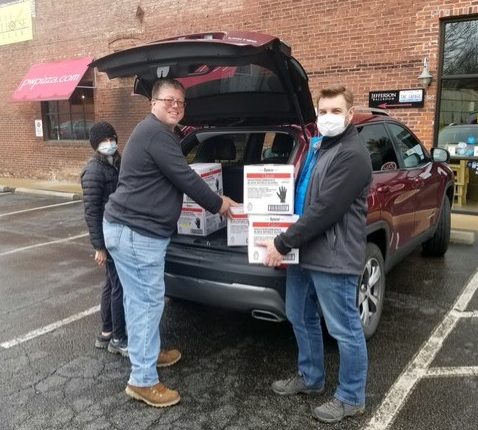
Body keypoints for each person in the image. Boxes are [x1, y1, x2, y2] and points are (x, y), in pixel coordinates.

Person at [103, 78, 236, 408]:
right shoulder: (156, 134)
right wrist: (220, 204)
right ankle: (143, 381)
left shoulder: (155, 132)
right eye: (168, 100)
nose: (175, 106)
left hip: (130, 230)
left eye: (180, 101)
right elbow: (187, 178)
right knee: (147, 303)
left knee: (140, 302)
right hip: (138, 233)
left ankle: (148, 355)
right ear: (153, 103)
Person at [261, 85, 372, 424]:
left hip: (334, 256)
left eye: (335, 111)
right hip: (306, 252)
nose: (327, 118)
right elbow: (302, 195)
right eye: (323, 112)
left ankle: (352, 397)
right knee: (300, 315)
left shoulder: (352, 154)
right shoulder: (320, 146)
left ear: (349, 115)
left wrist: (281, 242)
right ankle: (310, 377)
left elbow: (325, 209)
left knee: (345, 329)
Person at [80, 121, 127, 356]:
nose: (109, 144)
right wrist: (99, 246)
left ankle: (107, 331)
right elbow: (91, 211)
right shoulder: (94, 171)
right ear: (95, 145)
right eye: (103, 141)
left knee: (110, 284)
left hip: (117, 230)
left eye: (111, 139)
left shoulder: (116, 163)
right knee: (118, 285)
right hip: (108, 237)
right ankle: (119, 337)